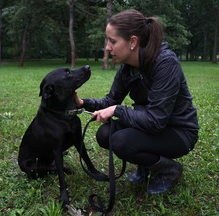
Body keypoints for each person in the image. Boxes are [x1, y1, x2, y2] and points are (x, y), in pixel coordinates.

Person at [75, 9, 199, 195]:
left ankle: (169, 169)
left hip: (179, 131)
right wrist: (83, 102)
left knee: (121, 141)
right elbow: (110, 101)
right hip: (149, 125)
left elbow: (156, 121)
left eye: (113, 41)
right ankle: (147, 163)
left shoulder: (165, 63)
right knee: (104, 134)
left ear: (133, 42)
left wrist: (117, 110)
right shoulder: (127, 69)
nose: (107, 47)